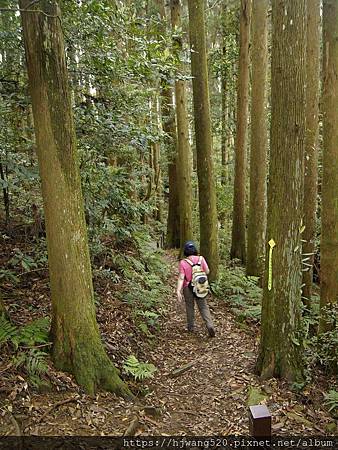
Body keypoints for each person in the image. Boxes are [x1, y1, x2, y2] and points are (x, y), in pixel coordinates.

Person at [176, 241, 216, 337]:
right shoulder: (201, 259)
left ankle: (191, 327)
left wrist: (178, 290)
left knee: (190, 306)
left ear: (185, 251)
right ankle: (210, 325)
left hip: (187, 287)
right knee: (203, 307)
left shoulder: (183, 262)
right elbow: (207, 271)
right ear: (195, 250)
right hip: (200, 286)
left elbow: (181, 277)